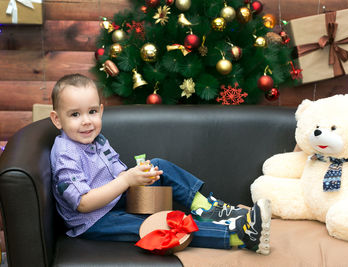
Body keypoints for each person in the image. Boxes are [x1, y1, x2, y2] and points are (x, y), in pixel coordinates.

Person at [49, 73, 272, 255]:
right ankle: (240, 235)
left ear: (101, 110)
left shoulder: (97, 139)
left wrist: (138, 176)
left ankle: (211, 210)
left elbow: (116, 168)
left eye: (92, 112)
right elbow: (83, 203)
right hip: (95, 221)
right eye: (75, 114)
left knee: (157, 164)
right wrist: (126, 180)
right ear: (57, 119)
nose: (87, 121)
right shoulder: (65, 154)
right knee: (156, 226)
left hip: (118, 199)